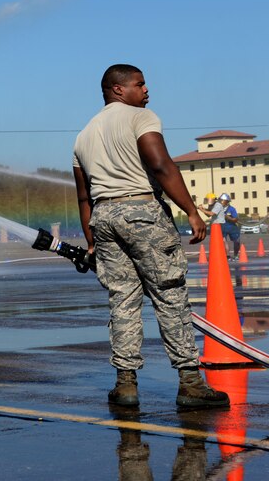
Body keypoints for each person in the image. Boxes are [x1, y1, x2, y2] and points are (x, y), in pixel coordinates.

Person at [72, 64, 228, 409]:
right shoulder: (140, 118)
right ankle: (190, 383)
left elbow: (84, 196)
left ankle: (125, 384)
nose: (146, 91)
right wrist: (190, 210)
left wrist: (92, 240)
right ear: (118, 89)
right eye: (139, 84)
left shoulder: (83, 135)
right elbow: (160, 164)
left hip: (104, 216)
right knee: (169, 295)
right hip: (141, 211)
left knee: (123, 300)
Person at [198, 193, 241, 259]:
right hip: (222, 226)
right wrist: (203, 209)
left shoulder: (231, 209)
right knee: (224, 241)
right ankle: (227, 256)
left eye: (222, 200)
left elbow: (235, 219)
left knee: (236, 241)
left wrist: (227, 217)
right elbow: (210, 214)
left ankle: (236, 255)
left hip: (231, 226)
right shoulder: (217, 206)